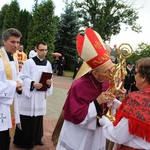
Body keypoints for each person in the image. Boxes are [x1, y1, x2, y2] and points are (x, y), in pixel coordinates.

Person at [56, 28, 124, 150]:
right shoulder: (80, 85)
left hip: (96, 131)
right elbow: (77, 114)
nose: (110, 75)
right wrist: (97, 101)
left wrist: (115, 96)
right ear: (95, 72)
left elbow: (107, 104)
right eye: (107, 72)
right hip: (78, 132)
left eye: (111, 70)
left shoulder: (106, 81)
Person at [99, 57, 150, 150]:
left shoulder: (136, 99)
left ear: (143, 77)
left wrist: (105, 121)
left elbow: (118, 136)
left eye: (136, 73)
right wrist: (117, 103)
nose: (134, 76)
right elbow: (143, 114)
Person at [13, 41, 53, 149]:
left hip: (40, 96)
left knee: (38, 118)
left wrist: (49, 83)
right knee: (27, 118)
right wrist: (32, 83)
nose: (43, 52)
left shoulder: (48, 63)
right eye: (41, 50)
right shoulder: (29, 62)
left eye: (45, 50)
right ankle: (24, 141)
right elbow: (23, 77)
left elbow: (50, 78)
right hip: (29, 96)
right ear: (36, 49)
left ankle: (37, 138)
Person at [0, 28, 22, 150]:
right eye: (13, 42)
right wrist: (14, 85)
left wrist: (19, 85)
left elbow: (17, 77)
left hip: (9, 104)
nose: (16, 45)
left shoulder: (13, 58)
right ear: (4, 41)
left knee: (6, 136)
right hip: (1, 105)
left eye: (18, 42)